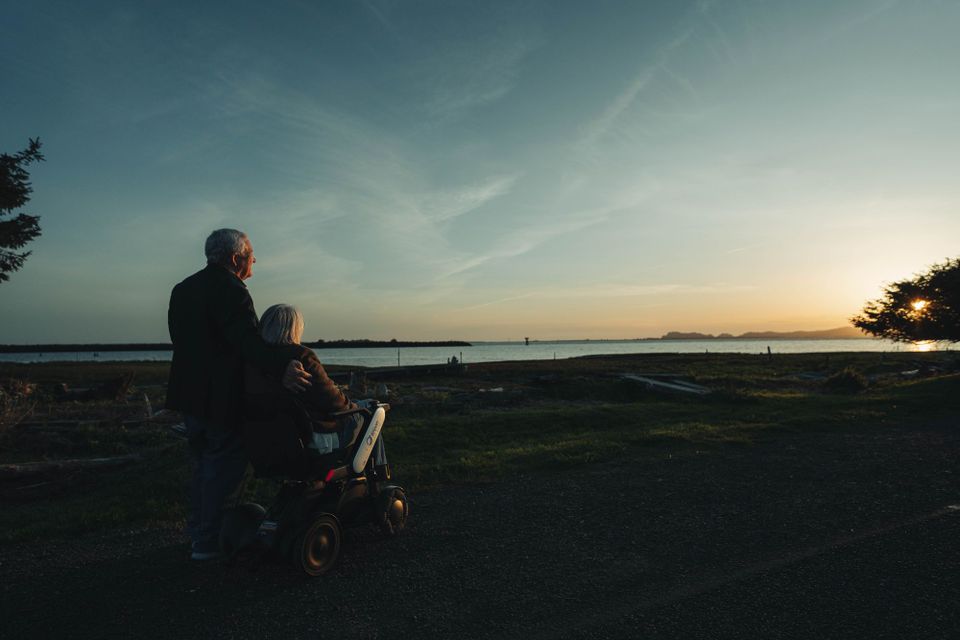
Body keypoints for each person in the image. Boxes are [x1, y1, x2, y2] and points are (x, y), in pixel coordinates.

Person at [166, 229, 312, 561]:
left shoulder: (182, 289)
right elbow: (247, 342)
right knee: (222, 466)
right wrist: (282, 366)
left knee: (203, 465)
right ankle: (208, 543)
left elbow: (182, 340)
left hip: (188, 394)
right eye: (251, 255)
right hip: (219, 397)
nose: (254, 261)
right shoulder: (233, 291)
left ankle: (198, 534)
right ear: (235, 259)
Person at [243, 304, 388, 480]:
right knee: (373, 411)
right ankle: (378, 475)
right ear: (294, 329)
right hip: (311, 439)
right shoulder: (302, 356)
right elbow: (335, 402)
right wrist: (354, 405)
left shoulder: (255, 363)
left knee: (364, 408)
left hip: (271, 442)